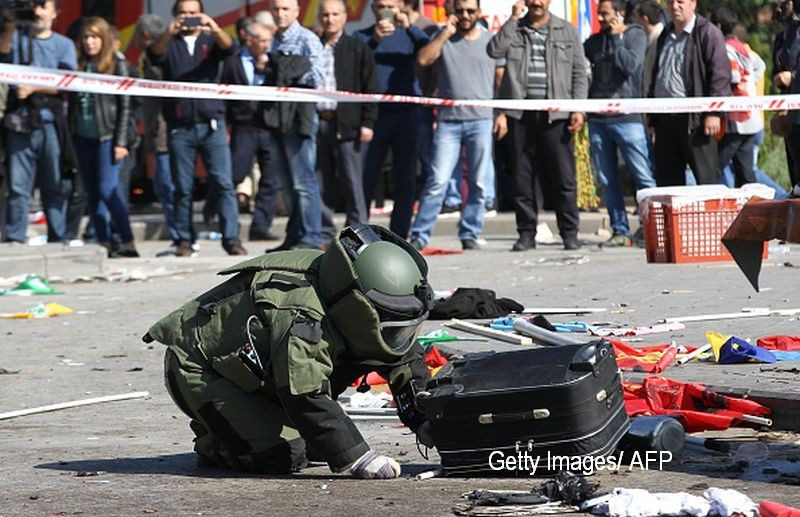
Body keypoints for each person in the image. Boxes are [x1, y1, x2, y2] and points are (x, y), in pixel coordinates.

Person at [146, 224, 435, 478]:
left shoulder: (343, 294)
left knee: (320, 445)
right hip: (198, 367)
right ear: (359, 306)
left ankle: (241, 426)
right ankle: (215, 440)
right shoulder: (304, 316)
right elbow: (304, 393)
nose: (397, 334)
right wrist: (358, 457)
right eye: (391, 324)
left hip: (257, 372)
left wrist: (425, 419)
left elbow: (402, 357)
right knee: (284, 455)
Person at [487, 0, 588, 252]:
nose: (536, 3)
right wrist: (512, 19)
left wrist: (578, 108)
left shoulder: (566, 30)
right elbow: (493, 50)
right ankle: (526, 234)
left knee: (563, 177)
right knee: (522, 178)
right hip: (520, 114)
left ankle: (569, 233)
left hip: (556, 115)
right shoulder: (514, 29)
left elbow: (579, 72)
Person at [148, 0, 246, 257]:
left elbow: (232, 48)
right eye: (183, 14)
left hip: (212, 124)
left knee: (224, 184)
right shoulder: (169, 42)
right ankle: (183, 240)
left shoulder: (211, 41)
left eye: (193, 13)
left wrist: (214, 29)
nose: (189, 18)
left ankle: (232, 239)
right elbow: (153, 56)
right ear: (175, 16)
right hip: (180, 127)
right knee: (182, 188)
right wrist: (169, 31)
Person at [409, 0, 501, 251]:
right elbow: (424, 59)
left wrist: (502, 113)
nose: (465, 15)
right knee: (437, 181)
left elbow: (501, 79)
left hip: (481, 120)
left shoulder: (490, 40)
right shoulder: (444, 37)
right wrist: (445, 34)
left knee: (479, 182)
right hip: (449, 121)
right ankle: (419, 234)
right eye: (460, 10)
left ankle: (470, 232)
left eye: (470, 10)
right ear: (453, 13)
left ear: (479, 12)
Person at [0, 0, 77, 244]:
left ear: (54, 13)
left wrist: (35, 88)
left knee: (54, 182)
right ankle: (14, 236)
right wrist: (10, 24)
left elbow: (70, 83)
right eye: (34, 6)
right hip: (19, 121)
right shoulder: (18, 38)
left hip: (50, 120)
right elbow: (2, 54)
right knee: (18, 185)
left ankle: (58, 235)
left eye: (43, 6)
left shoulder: (63, 45)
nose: (37, 12)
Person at [353, 0, 431, 239]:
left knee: (405, 179)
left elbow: (430, 51)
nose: (385, 9)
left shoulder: (409, 34)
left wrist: (409, 26)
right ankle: (359, 234)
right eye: (381, 5)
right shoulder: (361, 36)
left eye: (391, 4)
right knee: (365, 178)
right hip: (373, 117)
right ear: (373, 8)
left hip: (407, 114)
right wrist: (374, 40)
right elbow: (354, 61)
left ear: (400, 6)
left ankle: (399, 235)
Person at [584, 0, 655, 248]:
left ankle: (653, 228)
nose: (601, 19)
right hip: (598, 120)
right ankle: (620, 230)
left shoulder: (635, 36)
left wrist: (616, 38)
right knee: (606, 178)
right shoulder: (593, 42)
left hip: (628, 119)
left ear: (619, 14)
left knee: (642, 176)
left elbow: (630, 66)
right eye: (599, 14)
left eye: (605, 14)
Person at [69, 17, 138, 258]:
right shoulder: (77, 65)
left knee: (108, 189)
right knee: (92, 192)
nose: (89, 42)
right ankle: (105, 242)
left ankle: (128, 240)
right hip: (82, 136)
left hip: (107, 137)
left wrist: (121, 142)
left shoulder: (116, 66)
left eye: (95, 37)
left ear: (104, 39)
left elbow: (125, 106)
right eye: (86, 37)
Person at [648, 0, 730, 186]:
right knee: (667, 186)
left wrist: (714, 113)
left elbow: (720, 75)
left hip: (696, 121)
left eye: (680, 2)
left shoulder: (708, 33)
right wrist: (653, 119)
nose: (674, 6)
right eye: (670, 2)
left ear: (693, 4)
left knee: (706, 183)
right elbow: (656, 75)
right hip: (665, 119)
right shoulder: (665, 34)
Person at [268, 0, 325, 250]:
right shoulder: (272, 39)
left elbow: (319, 77)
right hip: (276, 117)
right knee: (286, 183)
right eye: (276, 9)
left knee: (304, 181)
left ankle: (312, 236)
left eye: (285, 9)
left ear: (296, 11)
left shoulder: (306, 38)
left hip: (299, 116)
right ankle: (294, 235)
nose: (280, 14)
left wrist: (287, 69)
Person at [316, 0, 377, 230]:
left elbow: (370, 87)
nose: (329, 19)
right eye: (325, 15)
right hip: (318, 121)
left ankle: (358, 230)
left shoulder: (357, 48)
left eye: (334, 14)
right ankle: (324, 231)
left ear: (344, 17)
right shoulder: (313, 47)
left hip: (348, 125)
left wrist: (368, 122)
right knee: (320, 180)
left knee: (353, 181)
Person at [220, 20, 281, 242]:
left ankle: (261, 226)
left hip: (268, 126)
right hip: (243, 126)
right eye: (262, 40)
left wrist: (270, 68)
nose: (267, 45)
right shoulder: (233, 62)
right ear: (249, 40)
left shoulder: (274, 61)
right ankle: (222, 217)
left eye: (269, 40)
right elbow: (224, 95)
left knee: (270, 179)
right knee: (235, 173)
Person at [133, 14, 183, 254]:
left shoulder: (159, 58)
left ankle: (179, 235)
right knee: (164, 185)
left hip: (164, 131)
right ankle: (178, 235)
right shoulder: (150, 57)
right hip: (155, 130)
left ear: (144, 35)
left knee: (167, 185)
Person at [710, 6, 763, 187]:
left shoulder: (725, 49)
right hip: (750, 118)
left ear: (717, 26)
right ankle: (753, 211)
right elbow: (760, 66)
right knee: (746, 174)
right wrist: (751, 85)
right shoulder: (742, 47)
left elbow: (732, 78)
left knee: (713, 168)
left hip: (736, 119)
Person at [631, 0, 664, 99]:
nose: (632, 20)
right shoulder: (648, 38)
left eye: (634, 16)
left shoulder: (661, 40)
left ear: (644, 19)